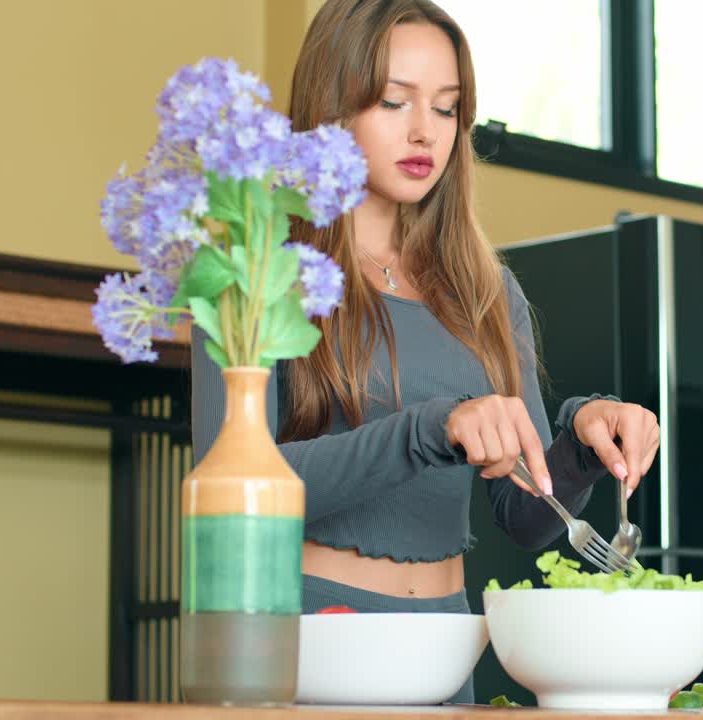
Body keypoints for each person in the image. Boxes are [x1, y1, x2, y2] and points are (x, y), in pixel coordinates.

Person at [191, 0, 660, 704]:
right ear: (331, 104)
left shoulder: (484, 289)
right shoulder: (255, 271)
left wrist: (585, 445)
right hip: (313, 640)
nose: (424, 132)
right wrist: (427, 429)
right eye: (393, 101)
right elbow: (226, 495)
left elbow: (528, 514)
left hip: (446, 644)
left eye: (446, 109)